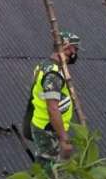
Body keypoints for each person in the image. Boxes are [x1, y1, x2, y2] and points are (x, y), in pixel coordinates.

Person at [24, 30, 80, 170]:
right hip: (48, 129)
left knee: (46, 166)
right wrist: (63, 139)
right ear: (67, 48)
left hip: (43, 124)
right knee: (47, 171)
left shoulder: (44, 65)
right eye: (75, 48)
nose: (76, 53)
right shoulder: (53, 74)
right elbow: (52, 108)